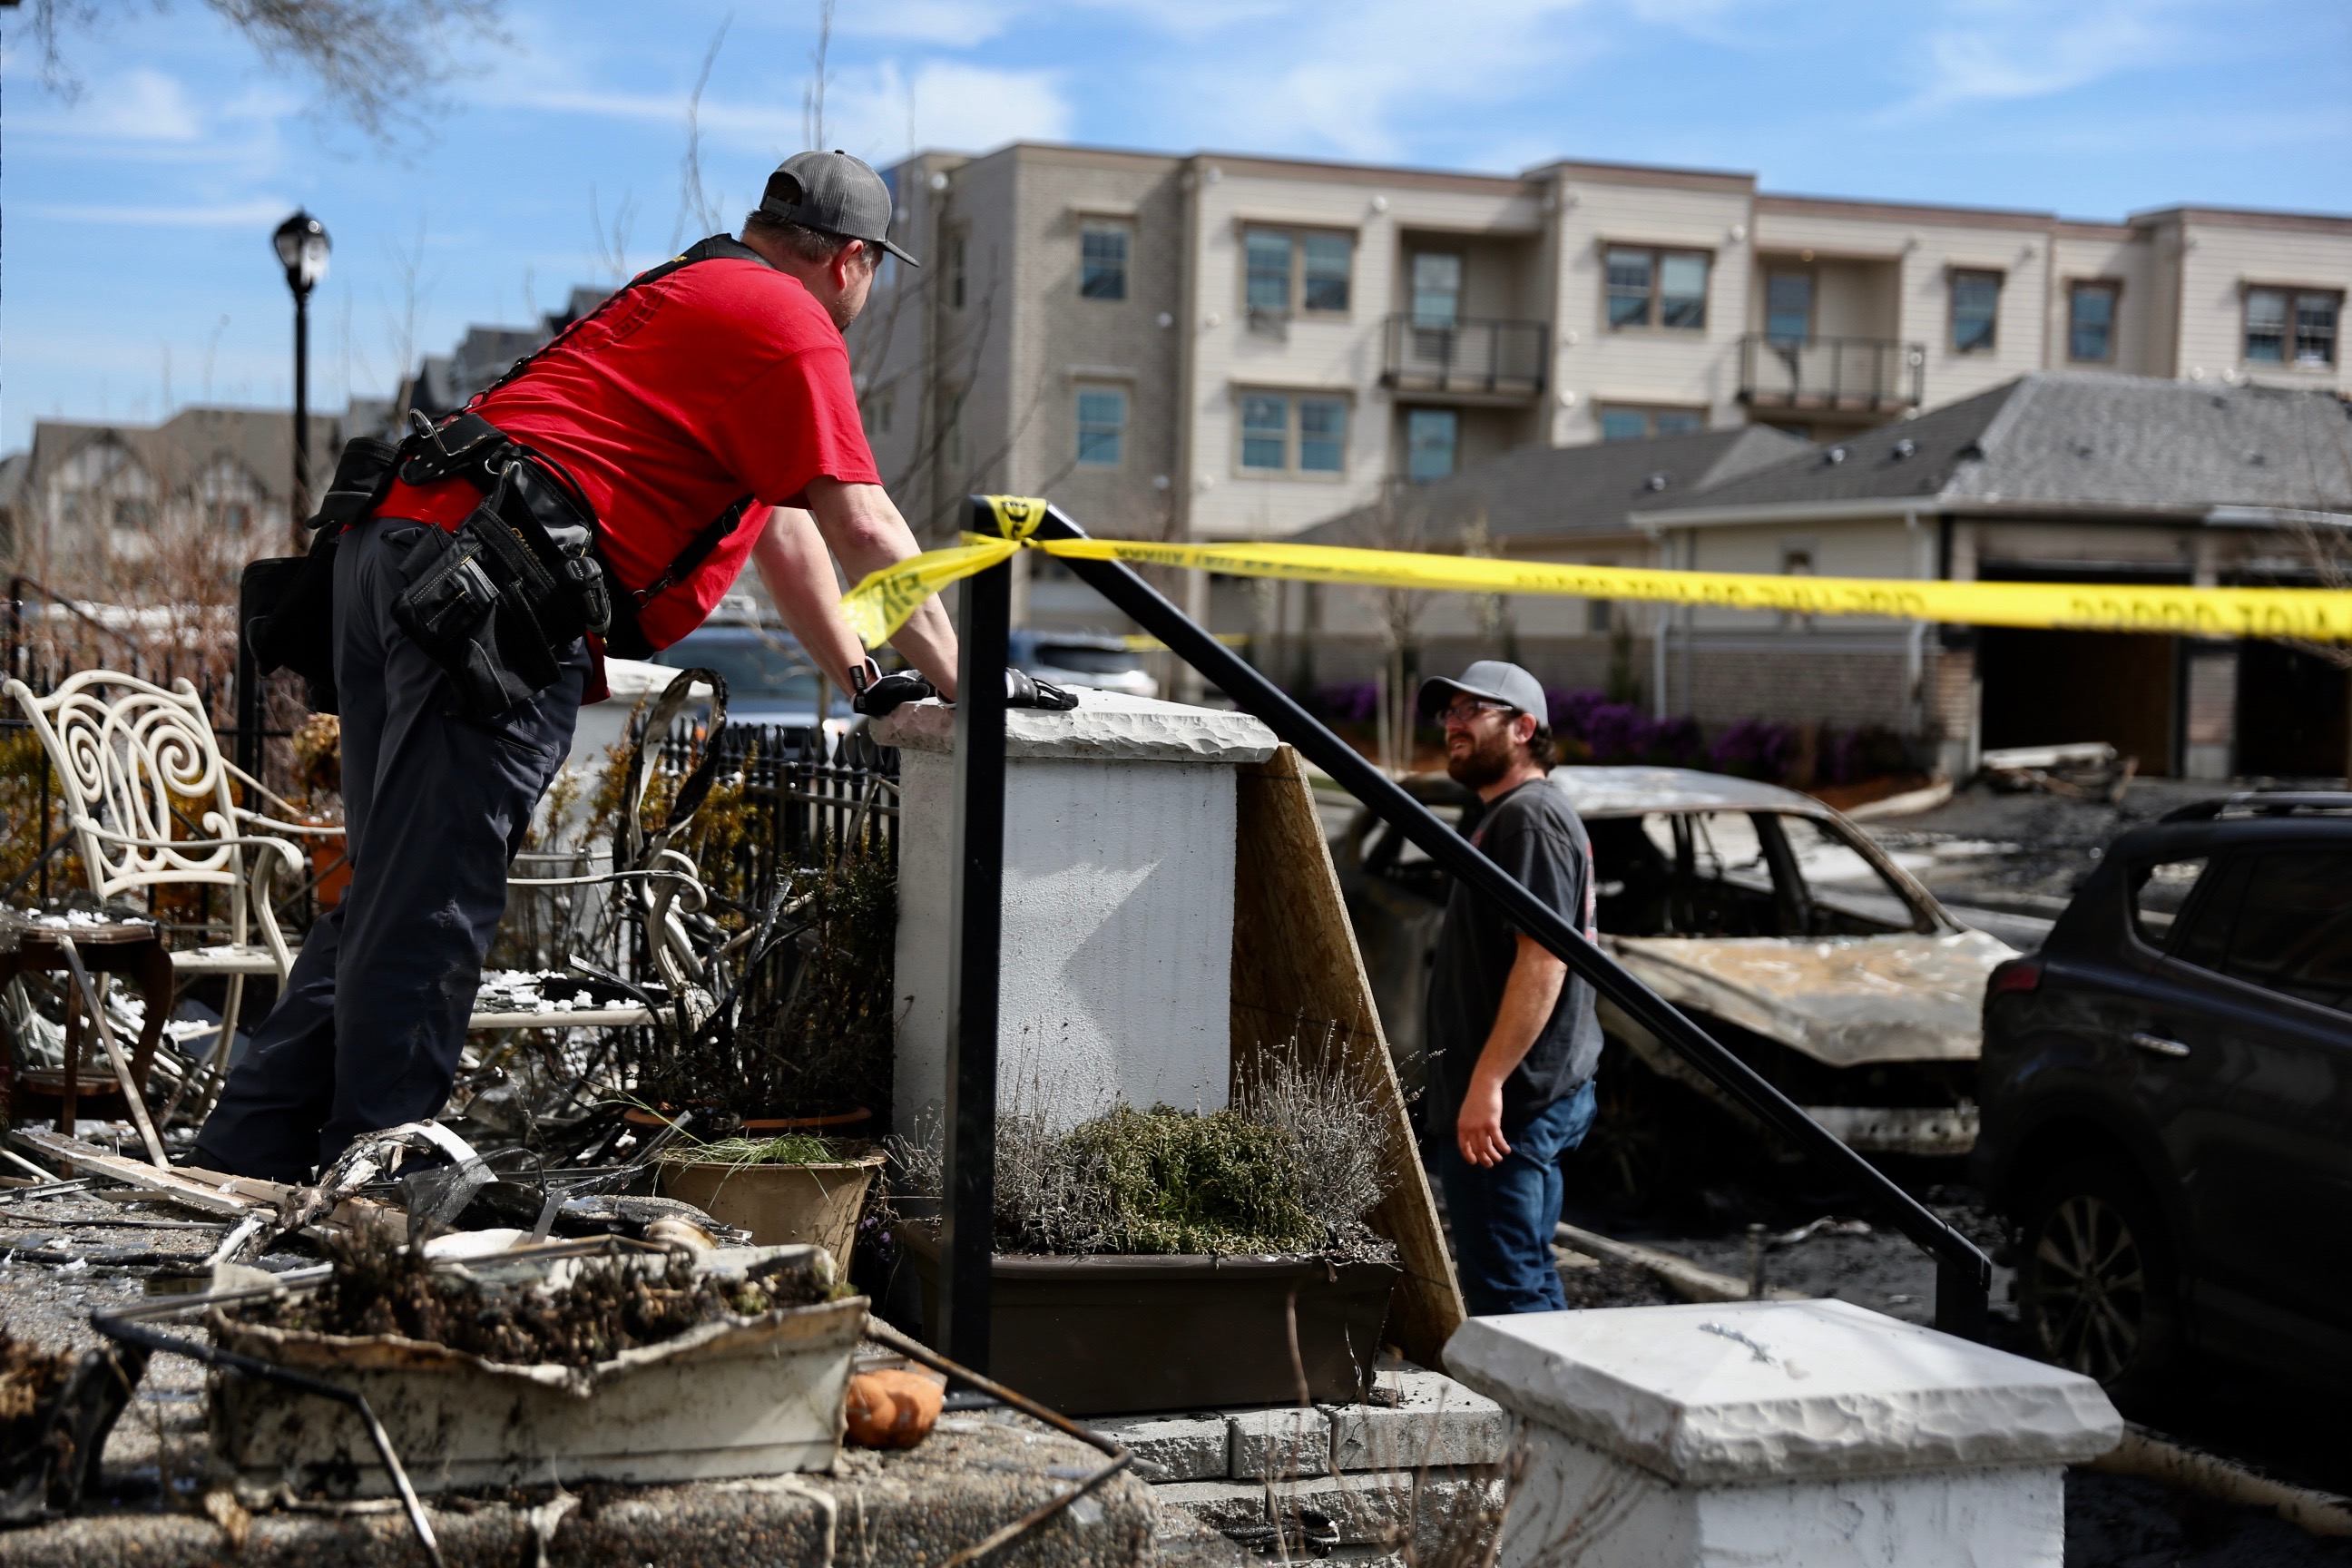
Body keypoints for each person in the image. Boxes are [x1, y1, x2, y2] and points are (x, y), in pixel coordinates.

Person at [195, 151, 957, 1182]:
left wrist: (868, 675)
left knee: (389, 888)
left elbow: (784, 534)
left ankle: (244, 1161)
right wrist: (966, 684)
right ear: (854, 261)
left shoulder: (687, 290)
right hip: (484, 588)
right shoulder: (793, 325)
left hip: (395, 549)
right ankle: (375, 1188)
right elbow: (864, 524)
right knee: (430, 905)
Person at [1417, 661, 1602, 1316]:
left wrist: (1488, 1084)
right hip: (1509, 1104)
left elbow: (1544, 958)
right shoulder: (1508, 815)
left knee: (1510, 1295)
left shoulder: (1529, 819)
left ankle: (1539, 1421)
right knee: (1518, 1279)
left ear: (1524, 728)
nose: (1453, 724)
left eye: (1473, 711)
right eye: (1449, 712)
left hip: (1509, 1112)